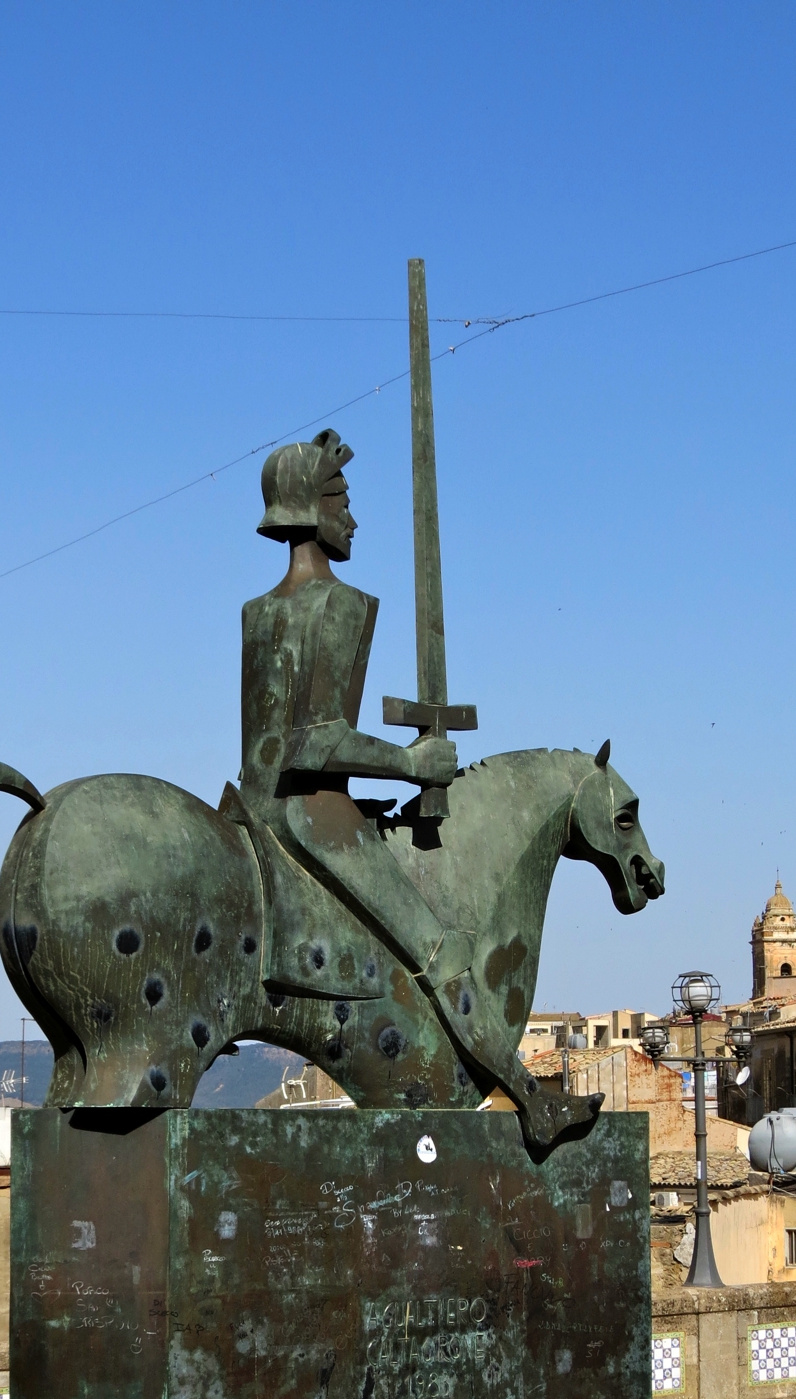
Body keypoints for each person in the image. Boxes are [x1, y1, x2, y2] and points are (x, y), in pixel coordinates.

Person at [235, 429, 599, 1148]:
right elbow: (314, 743)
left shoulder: (258, 610)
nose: (353, 518)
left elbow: (263, 750)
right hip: (313, 815)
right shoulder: (338, 605)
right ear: (312, 509)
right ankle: (533, 1102)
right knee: (442, 949)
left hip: (253, 808)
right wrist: (414, 763)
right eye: (341, 499)